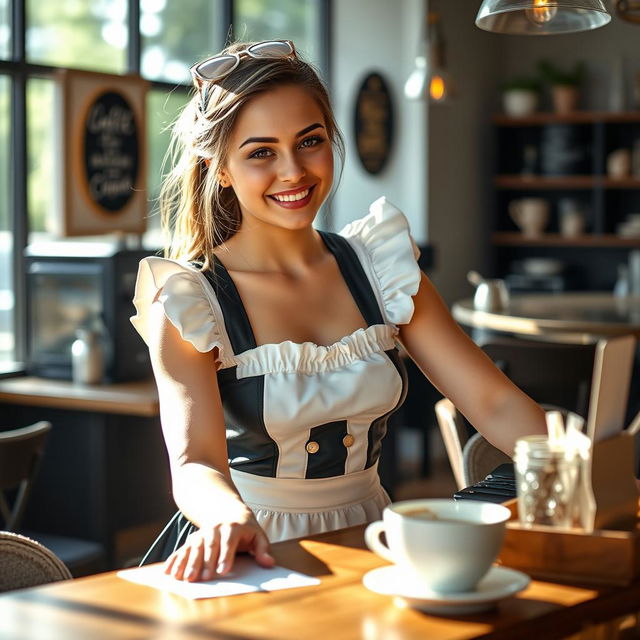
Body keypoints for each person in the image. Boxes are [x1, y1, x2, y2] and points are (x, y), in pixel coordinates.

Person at [130, 39, 546, 583]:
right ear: (221, 169)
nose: (293, 172)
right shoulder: (190, 299)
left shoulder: (382, 268)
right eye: (261, 152)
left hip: (370, 533)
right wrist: (228, 519)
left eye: (310, 141)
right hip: (250, 545)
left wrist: (580, 464)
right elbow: (195, 464)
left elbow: (492, 402)